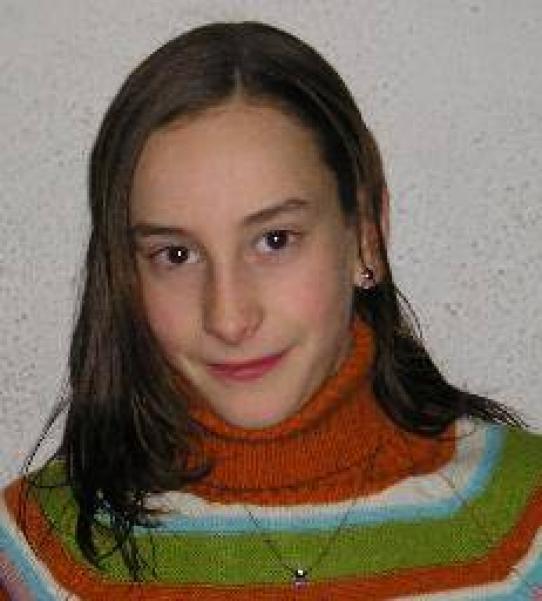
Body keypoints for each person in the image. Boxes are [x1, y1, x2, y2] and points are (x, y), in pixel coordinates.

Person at [1, 20, 541, 600]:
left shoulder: (525, 539)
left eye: (275, 240)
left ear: (366, 236)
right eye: (176, 255)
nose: (229, 319)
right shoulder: (36, 565)